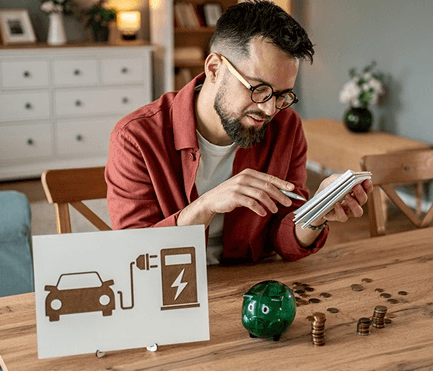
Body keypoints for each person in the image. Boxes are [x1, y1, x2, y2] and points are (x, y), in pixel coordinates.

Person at [105, 0, 372, 265]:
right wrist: (205, 206)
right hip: (172, 290)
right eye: (258, 88)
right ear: (214, 69)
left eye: (282, 95)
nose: (269, 109)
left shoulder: (286, 128)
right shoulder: (136, 138)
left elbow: (284, 240)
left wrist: (316, 211)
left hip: (249, 285)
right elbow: (135, 255)